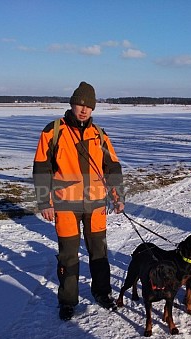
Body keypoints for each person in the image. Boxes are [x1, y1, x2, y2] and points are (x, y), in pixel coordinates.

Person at [33, 82, 125, 320]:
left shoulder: (100, 135)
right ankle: (67, 302)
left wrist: (118, 197)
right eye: (80, 104)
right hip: (65, 205)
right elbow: (41, 168)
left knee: (99, 254)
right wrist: (45, 202)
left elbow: (112, 167)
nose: (84, 109)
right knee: (68, 256)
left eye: (88, 106)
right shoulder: (53, 131)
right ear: (72, 104)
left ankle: (103, 293)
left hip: (95, 204)